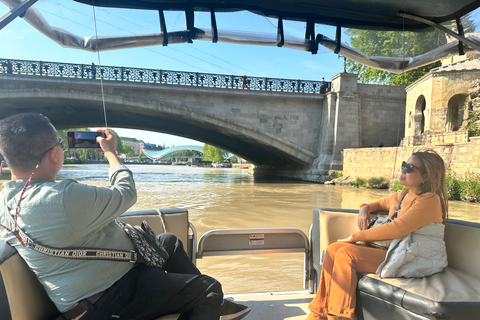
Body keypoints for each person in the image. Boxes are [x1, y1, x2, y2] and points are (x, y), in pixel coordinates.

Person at [0, 113, 250, 320]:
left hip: (91, 290)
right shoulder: (63, 196)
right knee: (208, 289)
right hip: (107, 298)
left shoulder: (5, 203)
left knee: (168, 242)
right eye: (60, 145)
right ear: (54, 154)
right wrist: (110, 153)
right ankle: (210, 304)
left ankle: (209, 307)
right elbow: (126, 193)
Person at [306, 149, 448, 320]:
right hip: (396, 250)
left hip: (412, 256)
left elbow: (398, 228)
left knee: (346, 254)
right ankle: (318, 313)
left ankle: (339, 317)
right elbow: (378, 203)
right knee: (333, 249)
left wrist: (356, 237)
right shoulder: (403, 194)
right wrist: (364, 209)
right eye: (404, 165)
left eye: (409, 168)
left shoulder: (429, 200)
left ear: (426, 176)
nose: (403, 170)